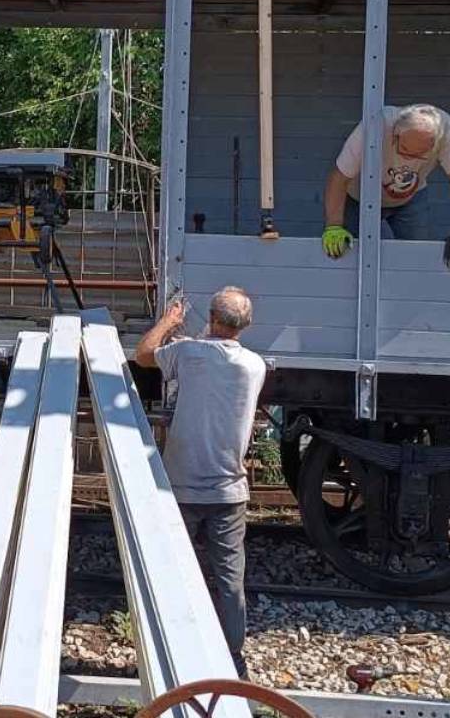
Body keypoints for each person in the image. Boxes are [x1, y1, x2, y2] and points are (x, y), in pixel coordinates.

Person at [133, 286, 267, 676]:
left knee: (174, 571)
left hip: (181, 487)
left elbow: (143, 354)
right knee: (229, 578)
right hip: (230, 491)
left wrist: (168, 322)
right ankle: (233, 659)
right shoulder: (255, 366)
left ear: (211, 318)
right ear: (246, 325)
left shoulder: (188, 353)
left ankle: (174, 651)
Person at [319, 102, 450, 269]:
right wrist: (334, 226)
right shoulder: (376, 124)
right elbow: (339, 177)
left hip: (411, 199)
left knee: (416, 258)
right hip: (359, 198)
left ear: (435, 144)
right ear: (395, 134)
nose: (409, 160)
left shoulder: (447, 131)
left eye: (419, 155)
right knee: (348, 254)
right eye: (404, 151)